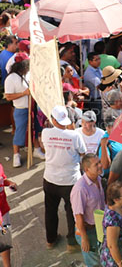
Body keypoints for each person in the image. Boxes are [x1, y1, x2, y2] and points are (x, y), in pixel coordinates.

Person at [43, 104, 87, 253]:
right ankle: (72, 243)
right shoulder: (74, 135)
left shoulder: (45, 133)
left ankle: (50, 240)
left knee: (50, 210)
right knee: (72, 212)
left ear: (53, 119)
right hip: (70, 180)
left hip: (50, 179)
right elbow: (83, 153)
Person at [72, 154, 106, 266]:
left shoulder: (98, 179)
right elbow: (78, 216)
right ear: (87, 169)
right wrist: (84, 238)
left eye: (99, 162)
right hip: (88, 231)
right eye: (96, 164)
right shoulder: (80, 189)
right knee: (93, 262)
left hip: (99, 227)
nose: (100, 165)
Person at [101, 181, 122, 267]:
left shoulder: (119, 207)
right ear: (116, 200)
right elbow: (112, 245)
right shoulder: (113, 219)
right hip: (115, 258)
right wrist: (120, 263)